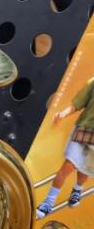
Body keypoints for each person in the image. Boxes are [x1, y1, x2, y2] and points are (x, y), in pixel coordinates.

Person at [36, 76, 94, 218]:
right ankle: (48, 202)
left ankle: (77, 189)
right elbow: (78, 103)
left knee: (85, 169)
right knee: (68, 165)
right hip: (84, 128)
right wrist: (64, 113)